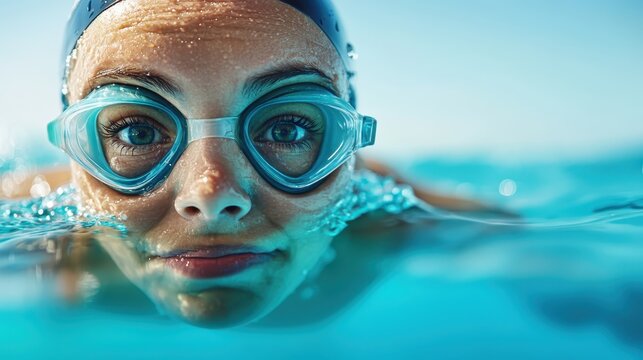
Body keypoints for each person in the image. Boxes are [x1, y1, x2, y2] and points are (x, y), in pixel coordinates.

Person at [8, 0, 498, 328]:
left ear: (348, 145)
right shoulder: (35, 244)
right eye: (138, 132)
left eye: (286, 130)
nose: (213, 194)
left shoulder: (403, 226)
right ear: (74, 150)